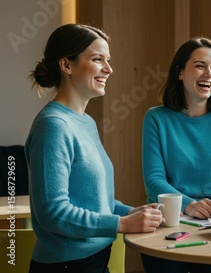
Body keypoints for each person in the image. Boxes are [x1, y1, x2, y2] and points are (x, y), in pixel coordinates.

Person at [25, 24, 162, 273]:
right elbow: (53, 212)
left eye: (108, 60)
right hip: (67, 266)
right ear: (66, 65)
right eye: (98, 59)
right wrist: (121, 223)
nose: (109, 69)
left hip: (95, 261)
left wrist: (131, 212)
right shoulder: (53, 126)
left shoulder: (85, 122)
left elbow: (95, 201)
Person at [141, 37, 211, 273]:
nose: (209, 73)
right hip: (168, 226)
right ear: (180, 73)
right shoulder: (156, 118)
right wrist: (190, 205)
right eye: (200, 65)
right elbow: (154, 181)